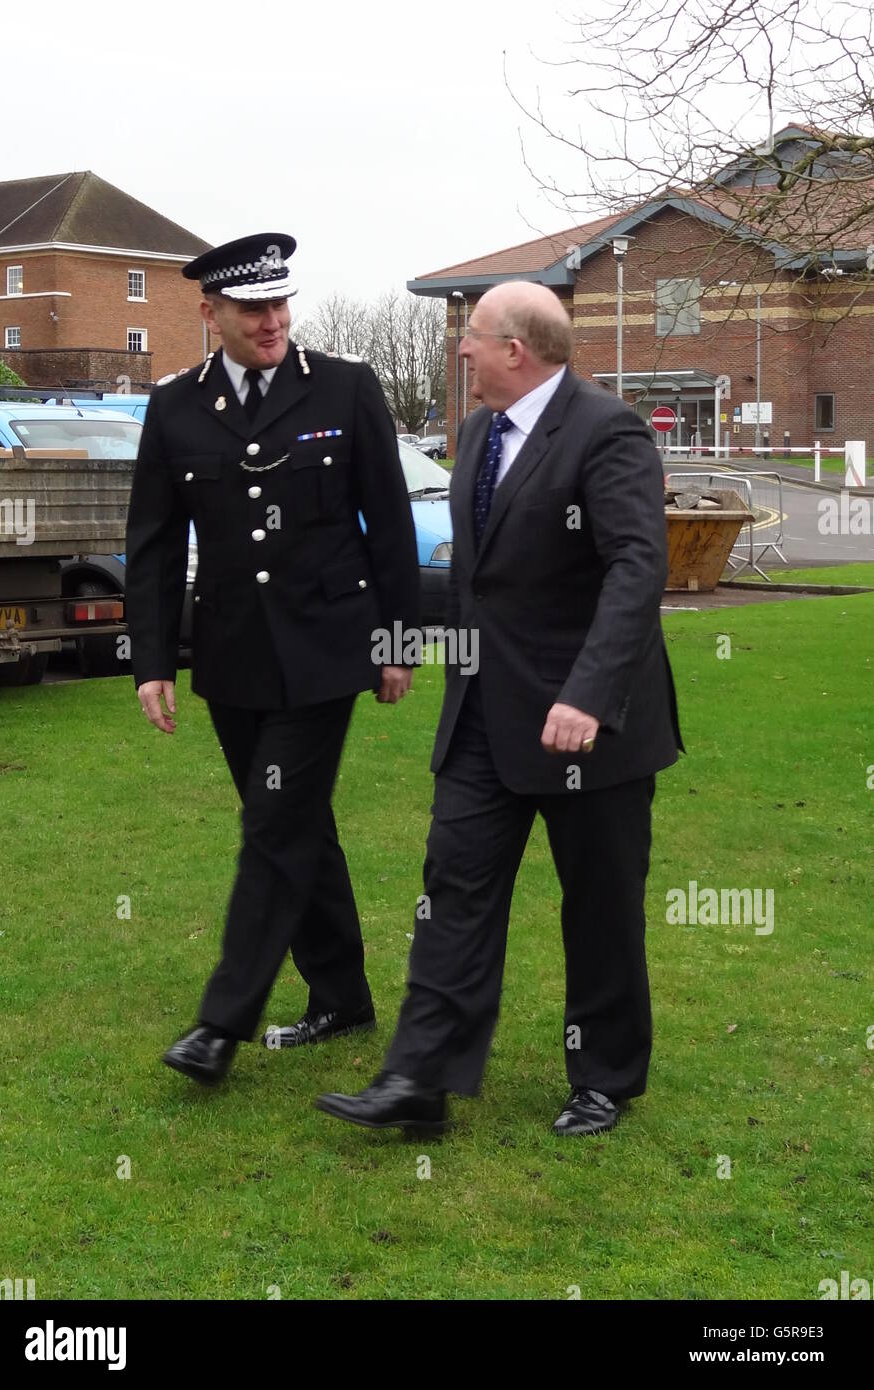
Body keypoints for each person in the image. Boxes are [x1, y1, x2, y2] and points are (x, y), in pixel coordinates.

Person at [317, 280, 683, 1137]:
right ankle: (420, 1081)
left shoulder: (608, 431)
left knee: (597, 904)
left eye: (472, 339)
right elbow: (478, 583)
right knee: (453, 890)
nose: (461, 352)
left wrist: (588, 694)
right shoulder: (478, 430)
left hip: (586, 724)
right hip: (482, 713)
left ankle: (604, 1078)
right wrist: (396, 638)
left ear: (515, 348)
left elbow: (637, 569)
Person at [125, 233, 419, 1085]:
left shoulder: (344, 386)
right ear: (210, 312)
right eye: (254, 309)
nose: (273, 322)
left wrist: (396, 641)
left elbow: (389, 522)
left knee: (274, 822)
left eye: (281, 304)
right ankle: (343, 996)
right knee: (297, 826)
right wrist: (152, 661)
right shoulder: (176, 407)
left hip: (327, 649)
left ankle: (221, 1024)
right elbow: (151, 544)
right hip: (232, 656)